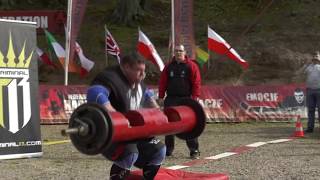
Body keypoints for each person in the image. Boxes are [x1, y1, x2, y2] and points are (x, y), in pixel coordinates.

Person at [87, 52, 166, 180]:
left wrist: (157, 109)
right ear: (126, 68)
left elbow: (148, 95)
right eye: (138, 70)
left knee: (159, 150)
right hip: (113, 134)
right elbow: (94, 91)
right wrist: (110, 109)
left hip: (133, 133)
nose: (143, 74)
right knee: (130, 153)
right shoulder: (113, 81)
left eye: (143, 70)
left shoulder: (139, 85)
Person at [158, 44, 202, 159]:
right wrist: (161, 96)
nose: (178, 53)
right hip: (171, 98)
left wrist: (194, 98)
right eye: (176, 51)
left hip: (186, 99)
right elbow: (163, 82)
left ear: (184, 52)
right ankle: (168, 150)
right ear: (174, 53)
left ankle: (194, 150)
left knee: (189, 125)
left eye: (180, 51)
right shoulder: (168, 67)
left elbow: (196, 83)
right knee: (169, 125)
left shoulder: (191, 66)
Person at [297, 51, 320, 133]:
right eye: (313, 56)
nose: (315, 57)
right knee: (310, 110)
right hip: (310, 90)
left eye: (316, 55)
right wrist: (305, 65)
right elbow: (299, 73)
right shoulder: (308, 67)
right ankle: (310, 128)